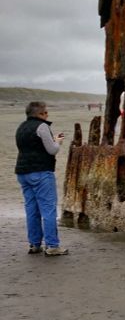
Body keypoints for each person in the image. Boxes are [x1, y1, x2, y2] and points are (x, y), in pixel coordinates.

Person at [15, 101, 68, 255]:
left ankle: (34, 244)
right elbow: (52, 150)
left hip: (22, 172)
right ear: (39, 114)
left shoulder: (21, 127)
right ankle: (52, 246)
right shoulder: (42, 126)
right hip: (41, 172)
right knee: (48, 209)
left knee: (31, 210)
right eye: (45, 112)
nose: (47, 115)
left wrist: (52, 140)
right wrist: (58, 141)